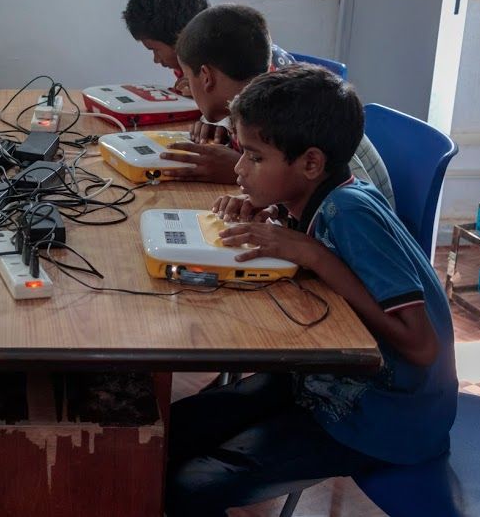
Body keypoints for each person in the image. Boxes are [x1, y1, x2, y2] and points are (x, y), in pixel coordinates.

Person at [164, 66, 456, 516]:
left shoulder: (351, 213)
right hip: (323, 379)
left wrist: (315, 256)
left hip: (382, 418)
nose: (240, 169)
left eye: (256, 157)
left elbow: (420, 347)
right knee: (166, 435)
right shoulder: (318, 196)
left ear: (311, 163)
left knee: (190, 487)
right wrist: (274, 222)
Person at [156, 4, 395, 210]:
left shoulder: (295, 114)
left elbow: (356, 203)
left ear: (206, 77)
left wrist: (235, 169)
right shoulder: (257, 107)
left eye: (188, 77)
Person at [122, 0, 296, 100]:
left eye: (155, 50)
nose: (156, 59)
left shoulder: (240, 65)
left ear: (181, 37)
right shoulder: (198, 58)